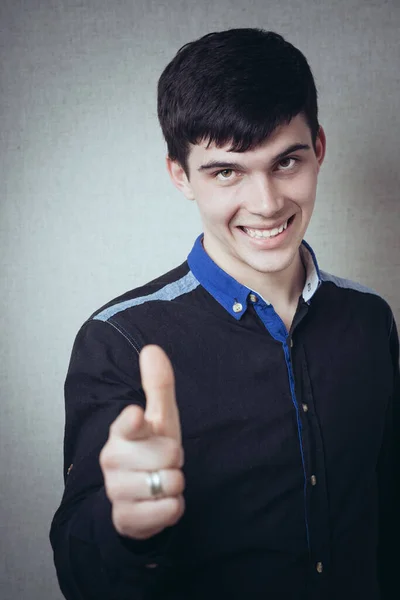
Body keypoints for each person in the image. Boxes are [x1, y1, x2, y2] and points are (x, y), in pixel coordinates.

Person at [49, 28, 399, 600]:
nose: (267, 203)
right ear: (180, 175)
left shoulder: (371, 319)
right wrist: (128, 529)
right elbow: (80, 577)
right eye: (226, 171)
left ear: (320, 149)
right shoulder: (119, 341)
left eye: (287, 161)